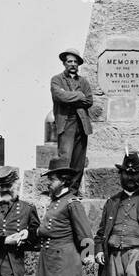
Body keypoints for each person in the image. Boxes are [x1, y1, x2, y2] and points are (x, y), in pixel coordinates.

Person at [50, 48, 93, 190]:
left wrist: (69, 96)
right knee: (65, 158)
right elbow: (59, 96)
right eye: (69, 61)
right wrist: (79, 95)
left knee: (78, 161)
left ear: (79, 64)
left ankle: (73, 191)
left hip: (82, 123)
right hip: (66, 122)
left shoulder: (84, 82)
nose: (73, 64)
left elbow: (89, 101)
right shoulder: (57, 80)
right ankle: (62, 190)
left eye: (75, 62)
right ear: (64, 63)